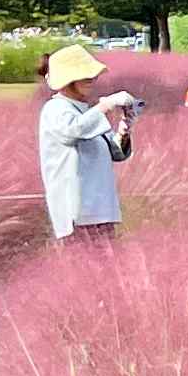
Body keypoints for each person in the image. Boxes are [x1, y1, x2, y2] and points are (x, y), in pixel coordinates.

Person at [37, 45, 139, 245]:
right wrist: (104, 107)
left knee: (104, 269)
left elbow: (116, 153)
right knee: (84, 266)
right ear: (68, 79)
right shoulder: (56, 109)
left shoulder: (85, 111)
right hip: (77, 212)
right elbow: (73, 131)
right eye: (84, 75)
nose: (91, 80)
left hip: (101, 209)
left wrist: (124, 130)